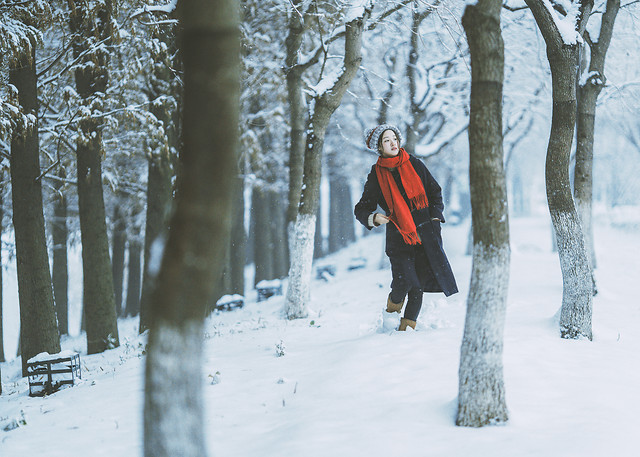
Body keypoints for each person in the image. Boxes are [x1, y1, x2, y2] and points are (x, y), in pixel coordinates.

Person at [354, 124, 458, 331]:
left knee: (417, 287)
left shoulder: (415, 165)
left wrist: (436, 219)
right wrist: (373, 218)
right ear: (379, 147)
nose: (393, 143)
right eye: (386, 140)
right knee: (403, 282)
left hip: (425, 235)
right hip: (398, 237)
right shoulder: (376, 175)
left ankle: (406, 331)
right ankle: (390, 318)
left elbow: (435, 193)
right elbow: (361, 208)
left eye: (394, 138)